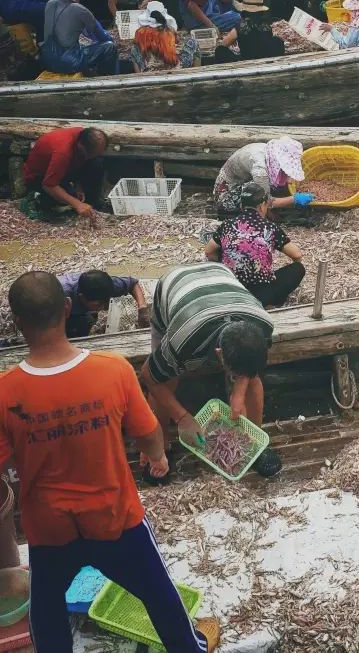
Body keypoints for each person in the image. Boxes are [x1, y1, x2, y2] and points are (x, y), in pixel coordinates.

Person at [0, 271, 220, 653]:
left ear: (17, 321)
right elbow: (148, 431)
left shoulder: (5, 392)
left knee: (47, 610)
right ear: (68, 309)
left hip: (50, 526)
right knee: (157, 592)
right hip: (115, 516)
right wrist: (157, 459)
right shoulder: (113, 369)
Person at [139, 262, 282, 480]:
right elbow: (149, 376)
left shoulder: (262, 325)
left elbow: (250, 372)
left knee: (252, 379)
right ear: (219, 354)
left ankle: (254, 445)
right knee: (167, 378)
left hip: (221, 275)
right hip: (175, 287)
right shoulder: (182, 340)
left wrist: (239, 393)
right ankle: (161, 447)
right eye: (234, 374)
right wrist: (183, 417)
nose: (238, 378)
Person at [205, 182, 305, 307]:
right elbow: (297, 255)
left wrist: (227, 260)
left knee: (221, 250)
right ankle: (271, 303)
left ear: (242, 206)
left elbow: (209, 251)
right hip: (261, 295)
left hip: (233, 289)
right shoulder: (270, 228)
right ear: (262, 206)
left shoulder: (227, 225)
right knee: (298, 269)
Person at [22, 125, 108, 220]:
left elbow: (80, 161)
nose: (94, 156)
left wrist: (78, 185)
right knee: (63, 199)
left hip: (64, 169)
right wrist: (77, 204)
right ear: (81, 146)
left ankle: (91, 205)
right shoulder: (63, 153)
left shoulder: (82, 135)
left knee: (96, 164)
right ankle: (38, 199)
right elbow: (49, 185)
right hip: (39, 177)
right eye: (92, 154)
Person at [213, 137, 314, 216]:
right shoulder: (260, 167)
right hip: (226, 193)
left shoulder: (270, 151)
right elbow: (263, 201)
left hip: (246, 180)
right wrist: (294, 199)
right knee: (259, 199)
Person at [40, 0, 119, 77]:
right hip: (68, 62)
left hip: (46, 60)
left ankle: (90, 73)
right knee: (110, 47)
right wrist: (113, 41)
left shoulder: (50, 4)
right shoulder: (80, 9)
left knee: (81, 47)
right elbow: (102, 36)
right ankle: (111, 78)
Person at [57, 270, 150, 338]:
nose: (104, 308)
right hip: (57, 315)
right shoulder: (60, 296)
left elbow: (133, 284)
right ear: (82, 297)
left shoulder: (105, 286)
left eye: (106, 302)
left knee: (87, 322)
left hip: (77, 310)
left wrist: (142, 309)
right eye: (98, 304)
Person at [130, 1, 199, 73]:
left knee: (134, 50)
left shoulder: (138, 38)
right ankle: (196, 78)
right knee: (194, 43)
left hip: (149, 75)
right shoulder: (170, 31)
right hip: (176, 72)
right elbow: (177, 41)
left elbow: (139, 75)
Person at [214, 0, 285, 64]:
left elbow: (223, 44)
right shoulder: (267, 25)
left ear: (244, 11)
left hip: (247, 59)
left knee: (220, 50)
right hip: (265, 57)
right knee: (277, 40)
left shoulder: (240, 26)